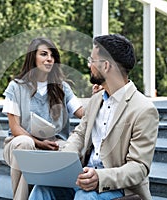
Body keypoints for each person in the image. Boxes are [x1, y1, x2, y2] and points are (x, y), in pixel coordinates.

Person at [28, 34, 159, 200]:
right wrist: (64, 161)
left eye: (92, 60)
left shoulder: (144, 109)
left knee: (85, 197)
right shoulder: (96, 99)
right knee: (43, 188)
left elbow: (139, 167)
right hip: (82, 178)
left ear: (106, 66)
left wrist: (100, 177)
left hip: (119, 188)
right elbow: (80, 134)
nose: (89, 64)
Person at [2, 37, 83, 200]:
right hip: (20, 143)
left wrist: (99, 98)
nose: (49, 59)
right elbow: (15, 127)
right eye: (44, 54)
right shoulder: (16, 87)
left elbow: (82, 113)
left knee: (71, 149)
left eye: (52, 55)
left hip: (55, 144)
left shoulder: (62, 87)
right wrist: (39, 143)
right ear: (33, 57)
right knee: (26, 144)